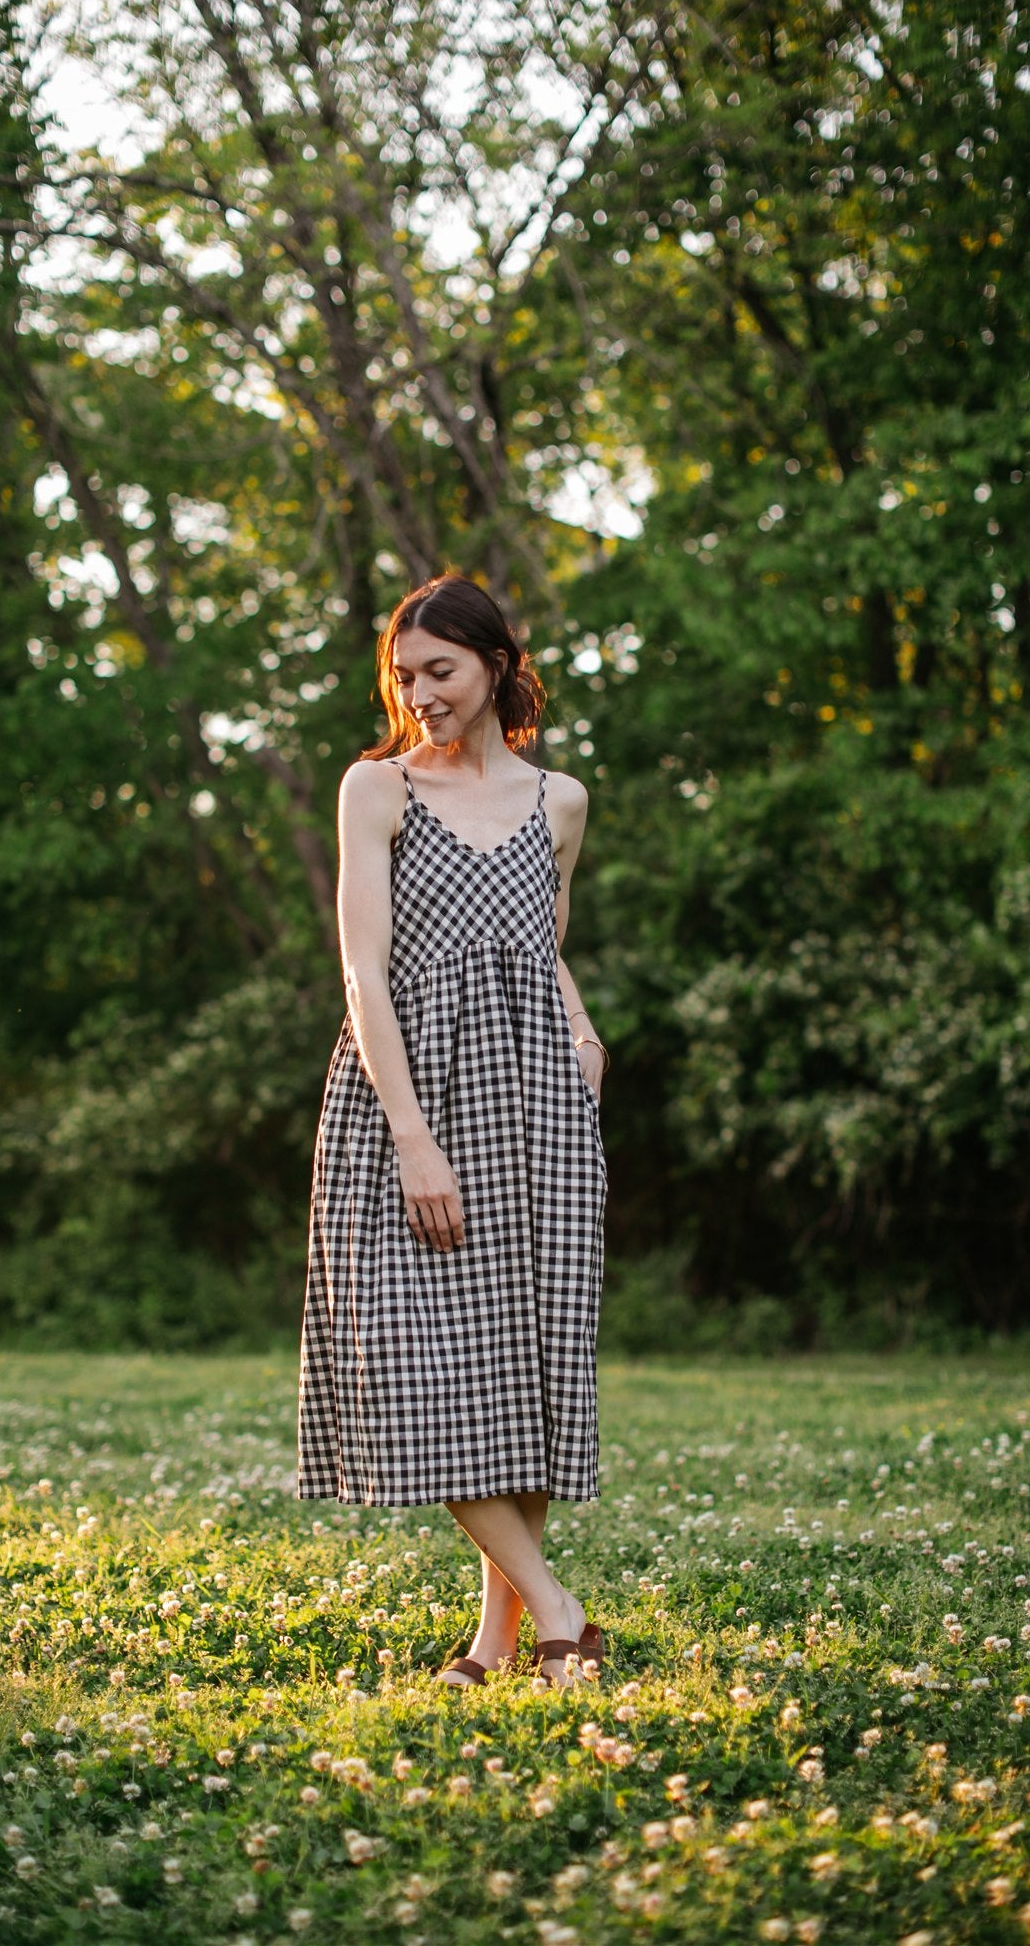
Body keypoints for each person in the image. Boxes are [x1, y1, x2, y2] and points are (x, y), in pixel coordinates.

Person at [296, 572, 609, 1686]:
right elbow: (362, 971)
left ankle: (493, 1642)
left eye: (442, 670)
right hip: (411, 1099)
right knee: (417, 1367)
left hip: (538, 1105)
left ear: (495, 665)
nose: (420, 692)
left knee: (517, 1373)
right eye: (405, 674)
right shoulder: (376, 788)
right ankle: (563, 1607)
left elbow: (542, 946)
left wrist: (582, 1026)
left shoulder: (558, 800)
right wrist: (413, 1136)